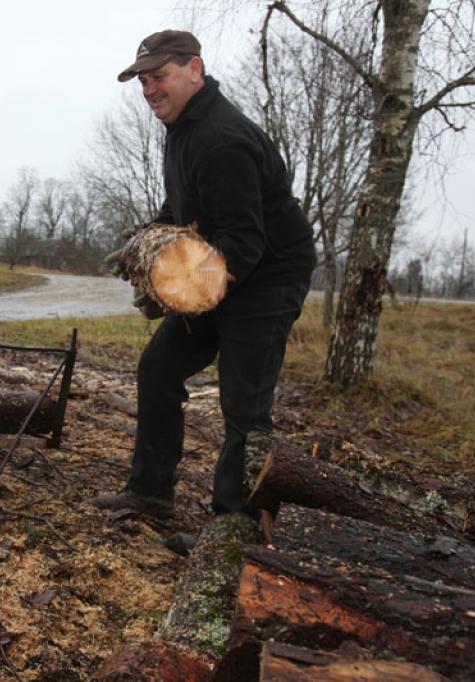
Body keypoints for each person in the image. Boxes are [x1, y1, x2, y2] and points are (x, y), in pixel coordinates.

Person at [91, 30, 317, 518]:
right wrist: (149, 246)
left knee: (245, 407)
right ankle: (150, 494)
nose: (150, 90)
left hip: (268, 276)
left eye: (160, 77)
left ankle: (233, 527)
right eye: (143, 81)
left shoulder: (221, 139)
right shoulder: (184, 129)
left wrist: (184, 290)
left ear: (194, 70)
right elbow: (183, 206)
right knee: (159, 368)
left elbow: (246, 239)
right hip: (218, 268)